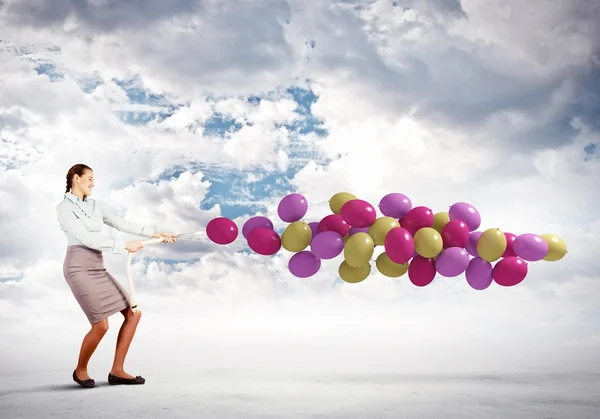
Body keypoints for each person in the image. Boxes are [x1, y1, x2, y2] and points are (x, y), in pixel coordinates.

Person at [56, 164, 177, 388]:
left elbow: (121, 223)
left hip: (97, 266)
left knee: (133, 314)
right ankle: (80, 370)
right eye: (89, 178)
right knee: (101, 325)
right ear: (76, 178)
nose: (93, 183)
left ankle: (117, 371)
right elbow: (87, 239)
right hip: (78, 267)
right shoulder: (64, 208)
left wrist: (155, 233)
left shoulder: (94, 206)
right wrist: (124, 246)